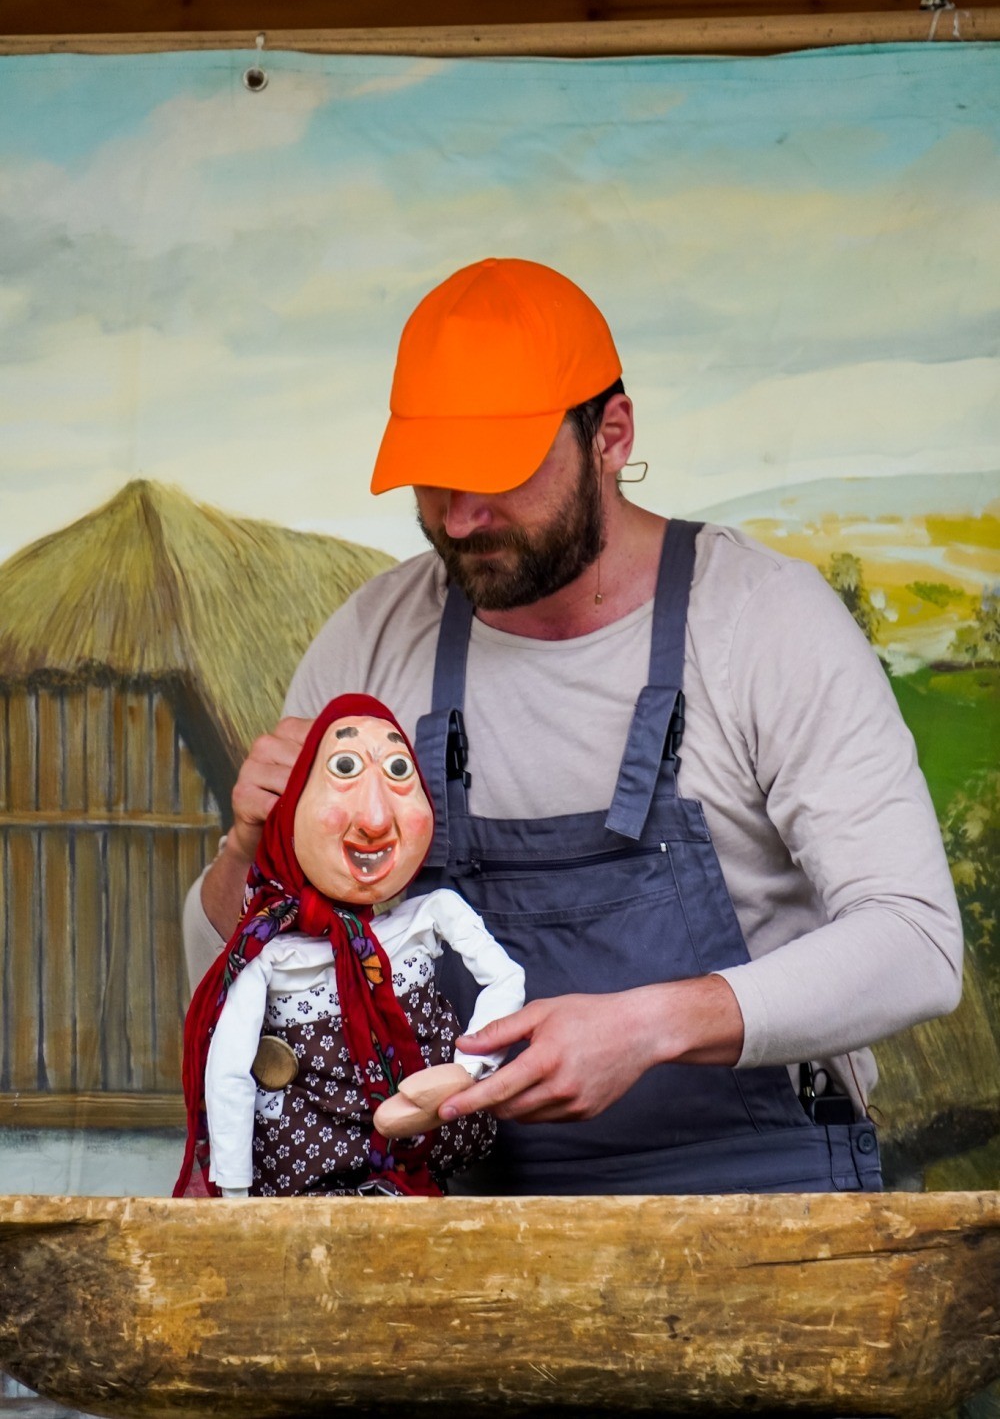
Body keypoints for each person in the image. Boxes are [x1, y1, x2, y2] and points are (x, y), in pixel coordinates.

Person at [184, 256, 963, 1195]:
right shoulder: (373, 641)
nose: (460, 519)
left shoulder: (763, 622)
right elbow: (242, 980)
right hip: (449, 1205)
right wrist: (249, 850)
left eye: (498, 474)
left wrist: (649, 1025)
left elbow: (917, 945)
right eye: (433, 481)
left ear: (611, 435)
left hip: (759, 1191)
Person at [176, 694, 524, 1199]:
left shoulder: (432, 916)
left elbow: (507, 980)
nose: (376, 818)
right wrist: (235, 1199)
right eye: (345, 768)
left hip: (429, 1181)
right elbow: (228, 1073)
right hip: (307, 1199)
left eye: (399, 770)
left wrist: (467, 1069)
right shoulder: (271, 958)